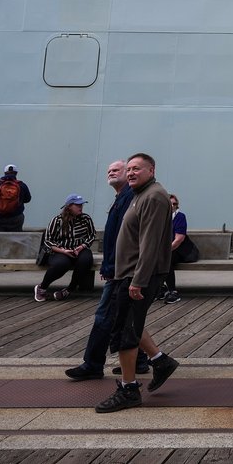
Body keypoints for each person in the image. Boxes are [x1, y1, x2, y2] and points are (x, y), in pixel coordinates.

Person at [94, 152, 179, 413]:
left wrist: (138, 282)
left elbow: (151, 244)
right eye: (128, 169)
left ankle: (129, 389)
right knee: (129, 322)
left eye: (137, 169)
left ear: (151, 171)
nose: (131, 173)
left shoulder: (153, 196)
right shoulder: (139, 195)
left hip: (137, 276)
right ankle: (160, 361)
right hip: (128, 274)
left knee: (125, 332)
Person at [66, 160, 150, 381]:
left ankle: (93, 364)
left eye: (117, 170)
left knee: (106, 316)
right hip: (116, 267)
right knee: (120, 317)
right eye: (109, 171)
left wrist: (112, 267)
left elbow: (127, 239)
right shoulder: (121, 198)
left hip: (120, 269)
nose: (111, 173)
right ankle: (141, 360)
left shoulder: (128, 198)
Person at [35, 194, 97, 302]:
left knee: (86, 260)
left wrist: (82, 246)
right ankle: (42, 288)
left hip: (80, 249)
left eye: (81, 204)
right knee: (62, 264)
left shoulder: (86, 218)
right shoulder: (57, 220)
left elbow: (92, 235)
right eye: (77, 205)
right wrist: (63, 251)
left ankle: (70, 289)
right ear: (69, 206)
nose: (80, 207)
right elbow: (48, 241)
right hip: (60, 250)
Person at [0, 164, 31, 231]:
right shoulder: (22, 185)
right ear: (16, 173)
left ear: (5, 173)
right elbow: (28, 199)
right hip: (15, 218)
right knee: (15, 239)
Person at [159, 193, 188, 304]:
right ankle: (160, 288)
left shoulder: (180, 217)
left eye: (174, 204)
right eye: (169, 204)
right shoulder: (159, 217)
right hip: (163, 250)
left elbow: (178, 240)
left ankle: (172, 291)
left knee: (166, 258)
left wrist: (164, 251)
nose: (172, 206)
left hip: (179, 250)